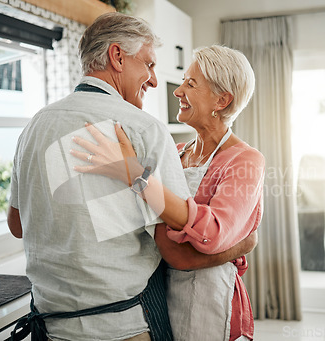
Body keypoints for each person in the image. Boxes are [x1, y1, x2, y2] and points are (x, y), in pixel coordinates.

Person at [7, 13, 256, 341]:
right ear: (117, 56)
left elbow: (18, 225)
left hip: (48, 326)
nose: (155, 81)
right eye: (149, 65)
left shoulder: (34, 126)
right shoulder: (145, 130)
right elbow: (177, 253)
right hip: (121, 329)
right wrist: (244, 243)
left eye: (189, 83)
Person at [71, 45, 264, 341]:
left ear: (222, 100)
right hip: (160, 294)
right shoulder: (176, 153)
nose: (177, 90)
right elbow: (146, 220)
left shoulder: (245, 160)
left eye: (191, 83)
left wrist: (135, 174)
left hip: (208, 300)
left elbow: (212, 232)